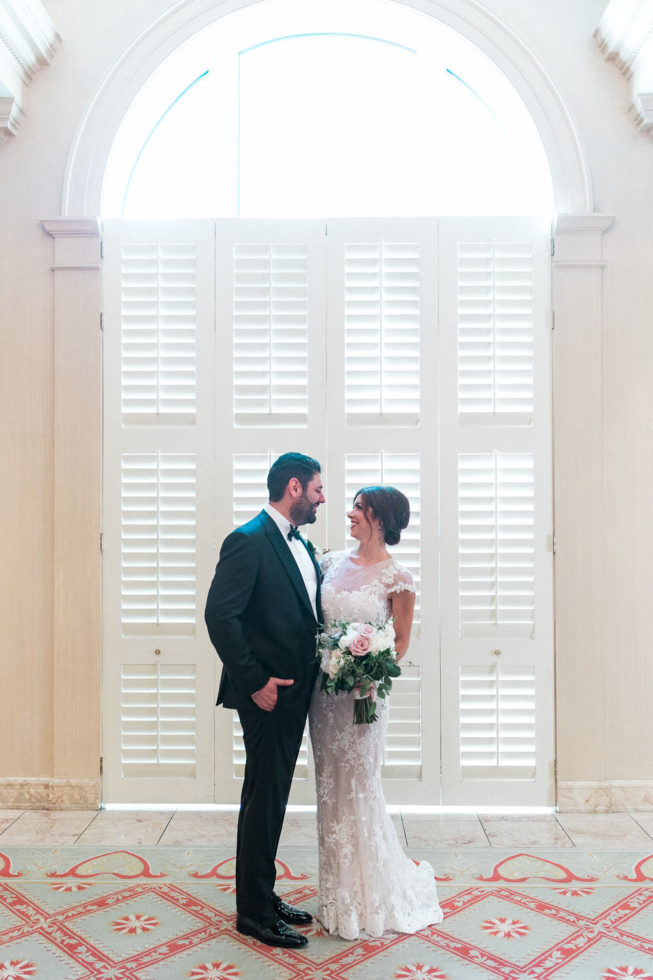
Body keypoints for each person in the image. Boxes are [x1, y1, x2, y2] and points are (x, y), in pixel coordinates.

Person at [309, 485, 444, 940]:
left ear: (380, 520)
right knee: (329, 788)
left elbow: (401, 641)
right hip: (323, 697)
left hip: (365, 699)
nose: (350, 514)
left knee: (360, 784)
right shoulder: (329, 564)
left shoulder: (398, 579)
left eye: (359, 509)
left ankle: (369, 897)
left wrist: (370, 666)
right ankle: (337, 895)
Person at [205, 452, 325, 949]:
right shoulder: (248, 540)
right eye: (318, 488)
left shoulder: (301, 543)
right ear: (294, 488)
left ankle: (261, 893)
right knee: (263, 798)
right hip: (268, 695)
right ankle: (253, 912)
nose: (322, 498)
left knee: (269, 796)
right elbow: (220, 616)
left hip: (297, 694)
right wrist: (256, 682)